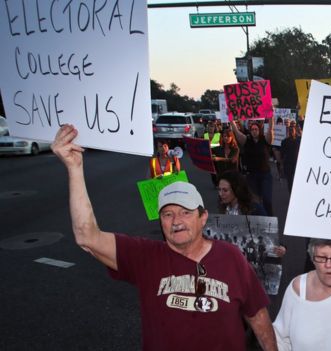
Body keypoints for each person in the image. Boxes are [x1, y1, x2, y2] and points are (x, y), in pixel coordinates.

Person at [51, 125, 277, 351]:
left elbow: (257, 314)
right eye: (168, 214)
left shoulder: (232, 257)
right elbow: (87, 236)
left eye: (186, 212)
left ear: (203, 217)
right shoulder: (145, 256)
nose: (176, 221)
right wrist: (74, 168)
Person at [232, 118, 275, 216]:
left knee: (267, 199)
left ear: (259, 130)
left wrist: (271, 116)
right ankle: (259, 221)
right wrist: (231, 119)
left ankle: (270, 219)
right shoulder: (246, 140)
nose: (254, 131)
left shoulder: (265, 139)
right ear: (250, 131)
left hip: (265, 175)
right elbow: (236, 131)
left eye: (256, 129)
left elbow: (270, 129)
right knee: (255, 202)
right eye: (252, 129)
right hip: (251, 176)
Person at [280, 123, 301, 194]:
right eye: (290, 130)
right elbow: (282, 154)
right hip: (288, 164)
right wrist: (282, 165)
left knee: (297, 180)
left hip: (297, 164)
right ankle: (291, 194)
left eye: (293, 130)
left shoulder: (299, 141)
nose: (291, 131)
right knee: (289, 181)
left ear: (295, 131)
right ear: (288, 132)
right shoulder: (284, 142)